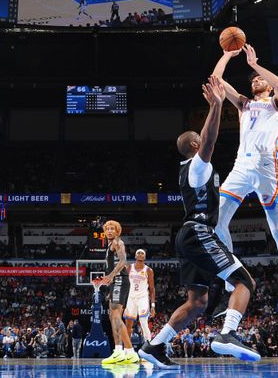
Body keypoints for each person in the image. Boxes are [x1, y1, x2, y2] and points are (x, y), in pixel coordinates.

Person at [139, 76, 260, 369]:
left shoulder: (190, 170)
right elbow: (209, 140)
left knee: (197, 303)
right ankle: (228, 333)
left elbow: (207, 142)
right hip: (199, 233)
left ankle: (154, 346)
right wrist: (216, 107)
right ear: (194, 144)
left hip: (189, 236)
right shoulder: (196, 166)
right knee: (245, 281)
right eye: (200, 142)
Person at [211, 45, 278, 333]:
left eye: (257, 79)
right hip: (241, 165)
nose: (254, 81)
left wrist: (254, 63)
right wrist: (227, 54)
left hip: (267, 167)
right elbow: (216, 80)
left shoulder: (277, 102)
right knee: (216, 219)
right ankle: (232, 276)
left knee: (277, 229)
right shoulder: (243, 104)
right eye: (251, 79)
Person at [99, 219, 139, 364]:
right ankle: (129, 353)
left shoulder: (117, 242)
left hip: (120, 280)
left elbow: (123, 261)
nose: (109, 231)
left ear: (117, 231)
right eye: (107, 229)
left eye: (112, 228)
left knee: (115, 316)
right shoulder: (110, 244)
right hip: (116, 282)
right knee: (113, 316)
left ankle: (118, 351)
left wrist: (111, 276)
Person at [122, 249, 155, 345]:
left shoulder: (148, 270)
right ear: (135, 256)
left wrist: (153, 305)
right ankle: (127, 349)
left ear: (144, 257)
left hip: (143, 298)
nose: (140, 254)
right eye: (138, 253)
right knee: (128, 325)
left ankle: (149, 347)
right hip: (130, 298)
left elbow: (152, 289)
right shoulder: (129, 268)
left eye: (142, 253)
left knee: (143, 321)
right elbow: (124, 285)